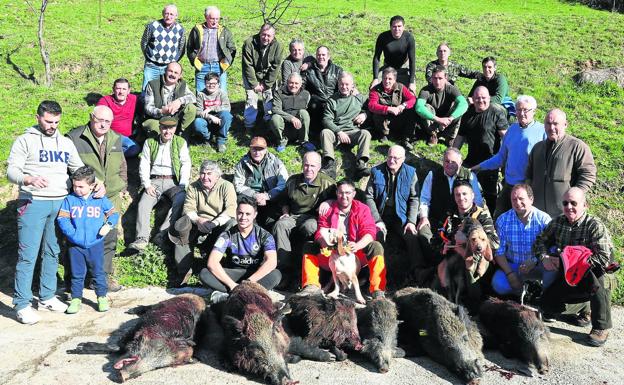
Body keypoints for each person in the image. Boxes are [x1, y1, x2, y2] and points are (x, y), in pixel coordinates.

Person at [7, 100, 93, 324]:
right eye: (48, 121)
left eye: (56, 121)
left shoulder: (65, 142)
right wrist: (28, 178)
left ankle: (46, 296)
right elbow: (11, 171)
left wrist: (96, 182)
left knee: (53, 250)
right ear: (38, 117)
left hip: (60, 202)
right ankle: (22, 303)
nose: (52, 125)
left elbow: (77, 168)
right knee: (28, 255)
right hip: (33, 203)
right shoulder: (25, 140)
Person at [535, 187, 616, 347]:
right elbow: (540, 241)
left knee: (601, 277)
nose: (569, 207)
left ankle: (601, 326)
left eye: (574, 203)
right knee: (547, 306)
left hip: (593, 273)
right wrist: (543, 257)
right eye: (565, 203)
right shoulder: (557, 222)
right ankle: (586, 307)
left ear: (585, 205)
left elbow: (604, 258)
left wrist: (570, 262)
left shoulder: (594, 226)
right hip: (569, 274)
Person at [67, 105, 126, 293]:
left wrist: (121, 184)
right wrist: (87, 189)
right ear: (91, 117)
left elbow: (122, 165)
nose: (103, 124)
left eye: (108, 121)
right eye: (100, 120)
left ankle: (101, 278)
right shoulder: (75, 138)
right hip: (85, 199)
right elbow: (68, 169)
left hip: (110, 197)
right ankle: (76, 278)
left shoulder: (115, 139)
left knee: (108, 237)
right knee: (80, 237)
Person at [300, 179, 387, 299]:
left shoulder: (363, 209)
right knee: (309, 246)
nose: (344, 196)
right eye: (341, 193)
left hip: (355, 254)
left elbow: (370, 232)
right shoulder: (328, 209)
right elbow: (320, 232)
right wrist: (325, 243)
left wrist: (357, 245)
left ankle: (377, 290)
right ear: (336, 193)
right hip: (332, 253)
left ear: (354, 194)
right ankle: (311, 285)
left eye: (348, 193)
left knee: (376, 246)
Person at [57, 166, 119, 314]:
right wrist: (73, 235)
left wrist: (108, 226)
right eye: (74, 186)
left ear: (92, 186)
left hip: (95, 243)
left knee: (98, 272)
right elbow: (62, 219)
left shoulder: (100, 199)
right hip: (75, 245)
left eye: (81, 186)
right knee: (77, 274)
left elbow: (113, 214)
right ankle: (76, 299)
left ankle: (102, 297)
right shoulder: (70, 200)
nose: (76, 189)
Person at [472, 95, 545, 218]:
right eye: (518, 110)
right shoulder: (512, 129)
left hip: (528, 187)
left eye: (525, 110)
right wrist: (479, 167)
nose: (521, 113)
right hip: (509, 184)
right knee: (499, 218)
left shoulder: (542, 132)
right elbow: (501, 157)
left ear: (534, 111)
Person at [199, 196, 282, 302]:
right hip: (233, 275)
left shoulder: (265, 235)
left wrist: (249, 281)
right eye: (240, 213)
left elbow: (271, 262)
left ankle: (234, 295)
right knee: (205, 273)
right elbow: (212, 262)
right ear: (236, 213)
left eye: (248, 214)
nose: (243, 217)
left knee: (276, 274)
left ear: (255, 215)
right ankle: (242, 294)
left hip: (254, 276)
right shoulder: (226, 235)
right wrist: (233, 286)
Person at [127, 116, 191, 251]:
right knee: (143, 203)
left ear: (175, 128)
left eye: (171, 128)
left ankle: (161, 235)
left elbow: (186, 164)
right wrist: (147, 184)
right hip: (154, 181)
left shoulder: (180, 142)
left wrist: (182, 184)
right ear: (160, 128)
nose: (167, 131)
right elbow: (144, 163)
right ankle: (141, 239)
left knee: (180, 201)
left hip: (173, 181)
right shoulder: (150, 142)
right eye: (164, 128)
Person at [273, 151, 336, 287]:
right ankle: (284, 270)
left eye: (313, 166)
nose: (309, 169)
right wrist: (285, 212)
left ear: (319, 167)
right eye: (306, 165)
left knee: (310, 227)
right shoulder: (293, 180)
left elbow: (339, 201)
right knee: (280, 225)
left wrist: (329, 201)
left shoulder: (328, 183)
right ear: (302, 165)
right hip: (294, 215)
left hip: (314, 217)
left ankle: (306, 269)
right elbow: (284, 199)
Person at [168, 160, 236, 286]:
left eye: (209, 174)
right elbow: (188, 208)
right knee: (182, 225)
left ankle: (228, 266)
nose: (205, 177)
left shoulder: (227, 186)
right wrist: (198, 220)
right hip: (197, 223)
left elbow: (231, 209)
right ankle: (183, 272)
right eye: (202, 173)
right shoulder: (194, 186)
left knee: (232, 223)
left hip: (218, 223)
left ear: (217, 175)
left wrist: (215, 223)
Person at [433, 181, 499, 304]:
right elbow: (435, 239)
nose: (461, 198)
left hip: (476, 259)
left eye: (464, 194)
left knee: (468, 273)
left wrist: (471, 242)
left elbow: (494, 241)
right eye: (457, 195)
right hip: (451, 257)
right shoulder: (448, 215)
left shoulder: (482, 214)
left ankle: (474, 307)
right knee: (438, 285)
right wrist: (444, 246)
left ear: (472, 195)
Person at [526, 109, 596, 218]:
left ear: (565, 125)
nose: (551, 128)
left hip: (564, 215)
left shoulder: (577, 147)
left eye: (555, 124)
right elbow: (528, 175)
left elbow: (588, 175)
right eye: (548, 124)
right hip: (537, 214)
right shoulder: (537, 148)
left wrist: (574, 198)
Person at [416, 147, 483, 262]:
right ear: (442, 161)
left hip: (460, 221)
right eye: (446, 161)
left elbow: (478, 201)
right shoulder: (432, 175)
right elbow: (424, 199)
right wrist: (423, 217)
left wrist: (468, 222)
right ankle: (436, 262)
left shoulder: (469, 176)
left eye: (453, 162)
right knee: (423, 233)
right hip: (436, 219)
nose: (449, 165)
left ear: (461, 162)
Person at [365, 145, 423, 276]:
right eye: (389, 157)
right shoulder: (376, 171)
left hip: (400, 217)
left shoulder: (411, 172)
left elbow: (414, 198)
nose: (392, 160)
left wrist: (411, 221)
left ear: (403, 159)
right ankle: (376, 274)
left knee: (411, 237)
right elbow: (368, 196)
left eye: (396, 158)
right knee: (377, 237)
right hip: (381, 215)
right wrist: (377, 220)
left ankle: (419, 271)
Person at [491, 184, 554, 296]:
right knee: (498, 283)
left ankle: (542, 297)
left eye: (521, 199)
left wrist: (535, 260)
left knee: (551, 272)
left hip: (538, 264)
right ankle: (520, 296)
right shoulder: (503, 220)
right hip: (514, 265)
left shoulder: (544, 220)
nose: (517, 202)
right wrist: (510, 274)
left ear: (531, 199)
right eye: (514, 199)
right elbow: (499, 251)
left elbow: (551, 247)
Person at [454, 86, 508, 211]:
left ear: (489, 98)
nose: (481, 101)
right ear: (473, 99)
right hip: (471, 159)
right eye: (477, 98)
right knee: (462, 187)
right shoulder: (468, 114)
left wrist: (506, 159)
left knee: (489, 194)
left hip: (490, 160)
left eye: (484, 98)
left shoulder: (496, 112)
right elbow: (460, 138)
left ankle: (491, 220)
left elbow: (506, 138)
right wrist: (453, 156)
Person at [320, 72, 371, 179]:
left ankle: (361, 163)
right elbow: (326, 120)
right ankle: (330, 164)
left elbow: (373, 107)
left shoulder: (359, 98)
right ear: (338, 84)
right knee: (325, 132)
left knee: (365, 133)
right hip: (336, 133)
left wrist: (365, 114)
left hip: (353, 132)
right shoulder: (332, 100)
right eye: (342, 84)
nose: (344, 87)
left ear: (352, 85)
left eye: (347, 84)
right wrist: (339, 131)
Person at [233, 136, 289, 229]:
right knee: (240, 199)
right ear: (250, 149)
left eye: (260, 149)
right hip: (251, 198)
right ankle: (249, 229)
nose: (257, 152)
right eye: (254, 149)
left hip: (270, 198)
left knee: (281, 200)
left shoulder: (276, 162)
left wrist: (267, 196)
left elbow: (283, 183)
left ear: (266, 149)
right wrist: (255, 195)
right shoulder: (242, 163)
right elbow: (238, 185)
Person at [241, 23, 283, 130]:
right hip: (251, 74)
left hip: (268, 75)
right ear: (260, 33)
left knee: (269, 99)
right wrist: (254, 84)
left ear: (273, 36)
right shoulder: (249, 43)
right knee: (251, 99)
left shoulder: (278, 46)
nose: (266, 38)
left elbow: (276, 66)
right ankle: (249, 126)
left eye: (269, 36)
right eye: (263, 34)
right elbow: (248, 65)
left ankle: (268, 123)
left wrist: (266, 84)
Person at [187, 6, 236, 94]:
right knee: (201, 95)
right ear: (205, 17)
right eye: (212, 19)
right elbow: (190, 47)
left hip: (219, 67)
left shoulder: (224, 31)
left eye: (217, 19)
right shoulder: (197, 30)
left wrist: (227, 62)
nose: (215, 21)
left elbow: (232, 48)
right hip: (202, 67)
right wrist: (195, 62)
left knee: (222, 95)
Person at [415, 65, 468, 146]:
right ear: (431, 78)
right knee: (426, 107)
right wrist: (438, 120)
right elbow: (419, 107)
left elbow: (463, 104)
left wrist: (450, 118)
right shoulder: (425, 90)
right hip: (433, 120)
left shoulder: (451, 89)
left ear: (445, 78)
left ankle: (450, 138)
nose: (437, 81)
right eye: (435, 78)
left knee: (458, 107)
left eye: (440, 78)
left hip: (447, 119)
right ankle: (433, 135)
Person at [368, 67, 417, 149]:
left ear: (395, 79)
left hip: (398, 118)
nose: (387, 81)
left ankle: (406, 138)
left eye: (390, 79)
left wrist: (403, 105)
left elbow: (412, 99)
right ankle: (384, 134)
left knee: (411, 111)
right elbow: (371, 105)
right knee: (377, 112)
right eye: (384, 78)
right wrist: (388, 109)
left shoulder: (401, 87)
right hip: (384, 121)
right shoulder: (375, 90)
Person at [140, 4, 186, 91]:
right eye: (166, 13)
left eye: (172, 14)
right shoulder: (152, 26)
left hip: (168, 68)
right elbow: (144, 43)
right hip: (152, 66)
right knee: (146, 92)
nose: (169, 16)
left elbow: (181, 48)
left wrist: (174, 62)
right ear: (163, 14)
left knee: (166, 92)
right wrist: (149, 57)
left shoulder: (180, 29)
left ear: (176, 16)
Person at [143, 62, 197, 133]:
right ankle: (158, 142)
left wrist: (179, 101)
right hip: (157, 120)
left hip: (175, 119)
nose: (172, 74)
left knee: (191, 108)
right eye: (170, 71)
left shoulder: (182, 84)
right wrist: (161, 111)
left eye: (176, 73)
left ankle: (182, 136)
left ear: (180, 75)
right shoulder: (152, 84)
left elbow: (193, 97)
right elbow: (148, 108)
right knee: (155, 127)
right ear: (165, 71)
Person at [371, 15, 416, 93]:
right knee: (374, 88)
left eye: (399, 26)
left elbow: (412, 60)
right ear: (390, 27)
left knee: (411, 92)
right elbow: (377, 58)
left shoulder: (409, 38)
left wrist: (411, 82)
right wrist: (375, 78)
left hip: (404, 67)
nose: (397, 29)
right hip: (388, 66)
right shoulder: (383, 37)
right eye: (394, 27)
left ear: (403, 27)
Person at [302, 46, 343, 130]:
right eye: (318, 55)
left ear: (328, 56)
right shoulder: (309, 72)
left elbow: (344, 84)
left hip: (333, 100)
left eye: (323, 55)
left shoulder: (337, 70)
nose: (321, 57)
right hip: (316, 103)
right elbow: (302, 87)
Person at [96, 78, 140, 157]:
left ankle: (107, 153)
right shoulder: (106, 100)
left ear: (128, 91)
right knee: (134, 148)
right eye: (118, 88)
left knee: (134, 149)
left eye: (124, 89)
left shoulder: (134, 99)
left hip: (127, 137)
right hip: (110, 135)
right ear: (113, 89)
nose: (121, 92)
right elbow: (98, 115)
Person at [269, 72, 312, 152]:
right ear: (287, 82)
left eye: (296, 83)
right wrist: (291, 118)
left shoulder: (306, 94)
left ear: (300, 84)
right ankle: (282, 141)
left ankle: (304, 141)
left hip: (298, 128)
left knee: (304, 113)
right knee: (275, 118)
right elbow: (275, 109)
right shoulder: (279, 93)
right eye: (291, 83)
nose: (293, 85)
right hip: (284, 127)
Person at [192, 72, 233, 152]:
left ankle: (221, 141)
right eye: (208, 83)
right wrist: (210, 116)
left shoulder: (222, 93)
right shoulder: (201, 94)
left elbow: (227, 107)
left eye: (214, 83)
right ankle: (207, 138)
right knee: (198, 122)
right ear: (205, 83)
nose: (211, 85)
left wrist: (211, 108)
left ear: (218, 84)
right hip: (207, 121)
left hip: (219, 121)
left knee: (227, 115)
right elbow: (198, 112)